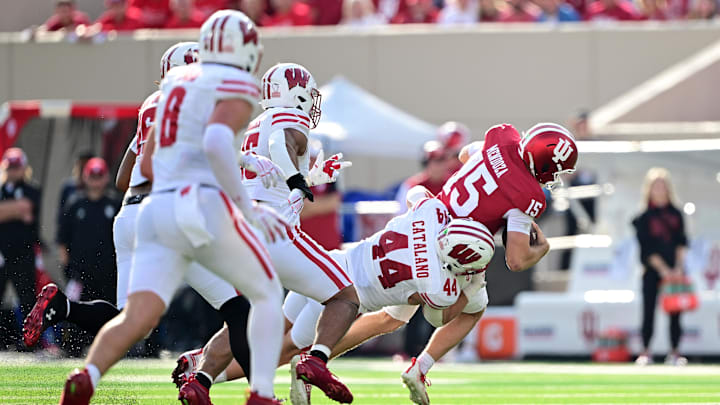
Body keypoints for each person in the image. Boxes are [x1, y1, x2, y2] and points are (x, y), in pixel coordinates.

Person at [59, 10, 289, 405]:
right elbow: (217, 143)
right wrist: (246, 209)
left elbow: (146, 165)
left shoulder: (174, 85)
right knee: (264, 294)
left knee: (137, 317)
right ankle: (261, 395)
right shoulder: (235, 83)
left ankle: (87, 376)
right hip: (196, 205)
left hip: (152, 211)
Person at [174, 193, 493, 405]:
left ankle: (200, 358)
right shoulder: (438, 285)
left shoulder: (432, 213)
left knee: (269, 323)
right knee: (286, 349)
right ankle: (204, 378)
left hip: (330, 264)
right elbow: (441, 317)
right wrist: (470, 286)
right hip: (341, 296)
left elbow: (417, 195)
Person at [175, 63, 359, 405]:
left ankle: (200, 380)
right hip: (274, 229)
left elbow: (268, 166)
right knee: (345, 296)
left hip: (240, 228)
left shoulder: (257, 123)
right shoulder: (289, 120)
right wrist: (296, 179)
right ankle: (316, 360)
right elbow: (279, 145)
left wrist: (311, 176)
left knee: (249, 314)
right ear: (297, 93)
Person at [23, 42, 199, 349]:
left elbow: (122, 179)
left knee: (130, 319)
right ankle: (237, 381)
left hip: (128, 215)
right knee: (234, 298)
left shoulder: (149, 107)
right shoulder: (185, 107)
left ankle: (64, 308)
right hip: (156, 216)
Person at [632, 168, 688, 366]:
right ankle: (646, 351)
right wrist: (663, 269)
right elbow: (646, 247)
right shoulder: (643, 216)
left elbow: (681, 241)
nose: (659, 189)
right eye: (655, 185)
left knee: (676, 312)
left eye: (662, 185)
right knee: (648, 310)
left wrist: (678, 267)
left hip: (675, 270)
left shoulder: (676, 213)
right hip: (652, 270)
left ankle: (675, 351)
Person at [0, 148, 41, 349]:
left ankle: (30, 340)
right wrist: (16, 209)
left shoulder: (32, 189)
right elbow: (20, 209)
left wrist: (8, 210)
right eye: (10, 168)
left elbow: (28, 208)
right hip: (2, 252)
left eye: (17, 167)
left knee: (27, 298)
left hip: (23, 252)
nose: (13, 171)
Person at [300, 140, 343, 250]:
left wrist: (307, 206)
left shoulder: (328, 175)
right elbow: (294, 209)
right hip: (305, 245)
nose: (312, 162)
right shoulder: (294, 177)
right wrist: (322, 204)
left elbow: (335, 202)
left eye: (315, 158)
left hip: (329, 245)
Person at [394, 140, 452, 214]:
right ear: (426, 163)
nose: (441, 165)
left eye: (443, 160)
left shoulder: (451, 183)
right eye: (437, 161)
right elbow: (401, 214)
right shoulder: (412, 185)